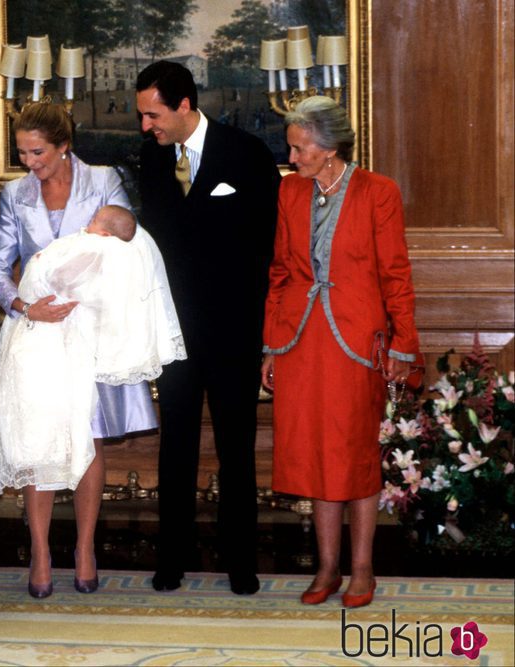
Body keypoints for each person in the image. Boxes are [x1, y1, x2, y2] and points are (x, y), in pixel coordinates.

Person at [0, 102, 158, 597]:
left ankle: (85, 547)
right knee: (35, 441)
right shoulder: (16, 194)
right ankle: (40, 551)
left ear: (65, 146)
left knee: (89, 440)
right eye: (22, 153)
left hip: (93, 333)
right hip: (36, 332)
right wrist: (21, 305)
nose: (29, 163)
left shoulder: (102, 181)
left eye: (38, 152)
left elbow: (128, 243)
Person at [260, 96, 419, 608]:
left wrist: (403, 345)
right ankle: (326, 566)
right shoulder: (289, 192)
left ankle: (362, 567)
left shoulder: (378, 192)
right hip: (301, 341)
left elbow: (396, 274)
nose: (293, 157)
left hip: (355, 342)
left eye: (300, 148)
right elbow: (281, 272)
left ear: (329, 148)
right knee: (315, 454)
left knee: (354, 454)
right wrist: (271, 345)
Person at [135, 60, 280, 595]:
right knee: (176, 448)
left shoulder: (246, 154)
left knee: (236, 449)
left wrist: (266, 333)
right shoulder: (152, 160)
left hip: (234, 333)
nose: (146, 126)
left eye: (153, 114)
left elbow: (268, 249)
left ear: (184, 105)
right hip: (173, 334)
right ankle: (172, 558)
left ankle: (241, 562)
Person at [0, 204, 183, 498]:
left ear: (104, 233)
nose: (86, 224)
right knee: (39, 434)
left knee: (88, 439)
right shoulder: (85, 240)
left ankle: (83, 544)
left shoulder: (100, 248)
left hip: (78, 349)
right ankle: (41, 544)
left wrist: (42, 262)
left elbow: (62, 279)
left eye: (93, 221)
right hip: (42, 337)